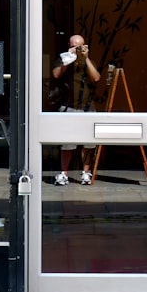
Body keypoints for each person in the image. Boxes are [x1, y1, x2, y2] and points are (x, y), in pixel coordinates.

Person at [49, 34, 101, 186]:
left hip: (87, 107)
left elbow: (96, 77)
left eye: (80, 46)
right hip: (68, 106)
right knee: (67, 143)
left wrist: (85, 58)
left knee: (89, 143)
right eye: (75, 46)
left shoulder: (88, 61)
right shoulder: (64, 58)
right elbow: (56, 74)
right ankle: (64, 173)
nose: (77, 50)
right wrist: (68, 59)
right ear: (69, 45)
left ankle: (86, 172)